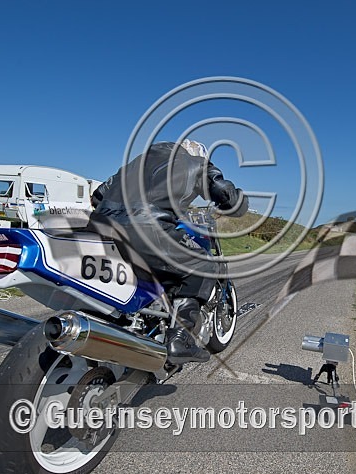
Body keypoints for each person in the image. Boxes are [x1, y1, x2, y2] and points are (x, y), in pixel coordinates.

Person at [90, 139, 248, 365]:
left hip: (99, 227)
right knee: (203, 265)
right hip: (144, 228)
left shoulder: (137, 163)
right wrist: (239, 203)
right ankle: (179, 340)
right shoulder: (196, 163)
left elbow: (97, 195)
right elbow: (224, 193)